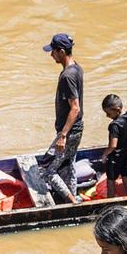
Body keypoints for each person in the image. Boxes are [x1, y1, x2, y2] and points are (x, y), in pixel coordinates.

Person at [41, 33, 85, 203]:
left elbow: (75, 107)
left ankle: (72, 203)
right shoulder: (76, 68)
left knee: (47, 170)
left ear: (61, 51)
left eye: (53, 51)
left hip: (70, 130)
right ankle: (72, 197)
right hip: (77, 127)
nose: (51, 55)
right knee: (67, 165)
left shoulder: (67, 76)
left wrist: (63, 135)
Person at [100, 95, 127, 197]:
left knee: (111, 181)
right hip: (126, 155)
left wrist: (105, 154)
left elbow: (113, 145)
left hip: (115, 159)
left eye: (108, 113)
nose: (107, 116)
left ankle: (110, 202)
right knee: (126, 178)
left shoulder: (114, 125)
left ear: (117, 110)